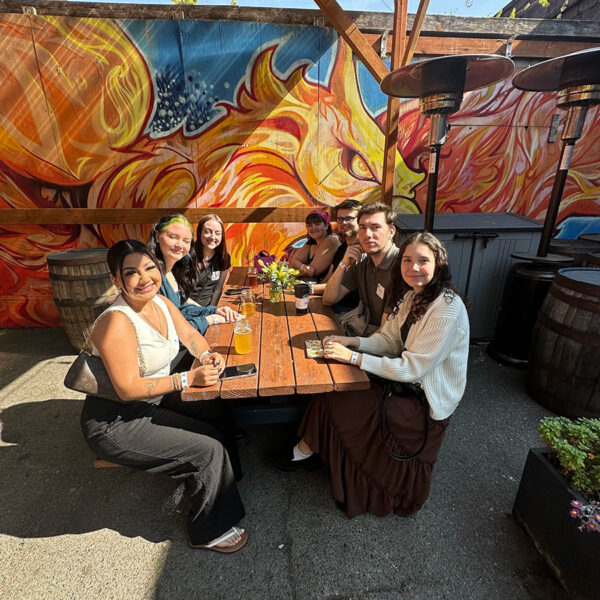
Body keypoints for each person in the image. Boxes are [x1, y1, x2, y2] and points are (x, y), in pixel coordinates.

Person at [274, 232, 469, 519]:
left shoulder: (447, 308)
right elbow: (389, 341)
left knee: (342, 397)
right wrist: (354, 343)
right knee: (335, 388)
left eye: (423, 261)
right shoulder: (414, 295)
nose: (413, 268)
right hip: (402, 382)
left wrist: (353, 358)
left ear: (439, 264)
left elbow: (413, 369)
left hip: (424, 401)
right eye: (407, 260)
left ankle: (310, 452)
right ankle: (310, 449)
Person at [80, 240, 248, 552]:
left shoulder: (161, 303)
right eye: (131, 273)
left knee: (216, 413)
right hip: (116, 421)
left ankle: (224, 484)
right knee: (206, 449)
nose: (144, 278)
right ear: (115, 280)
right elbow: (128, 388)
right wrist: (188, 377)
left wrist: (208, 354)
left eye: (149, 268)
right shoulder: (116, 320)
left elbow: (191, 336)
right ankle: (208, 531)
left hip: (151, 400)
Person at [148, 214, 238, 334]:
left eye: (185, 241)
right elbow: (173, 324)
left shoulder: (223, 257)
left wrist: (213, 310)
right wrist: (210, 317)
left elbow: (182, 304)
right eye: (173, 237)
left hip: (196, 314)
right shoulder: (182, 259)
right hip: (188, 324)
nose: (212, 237)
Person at [323, 202, 399, 336]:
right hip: (366, 334)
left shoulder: (401, 267)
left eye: (375, 227)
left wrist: (351, 348)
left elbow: (387, 333)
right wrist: (344, 263)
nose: (367, 234)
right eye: (363, 227)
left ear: (391, 232)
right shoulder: (362, 261)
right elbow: (328, 298)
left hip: (388, 344)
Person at [309, 199, 361, 313]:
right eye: (340, 219)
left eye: (349, 218)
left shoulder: (360, 251)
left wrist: (308, 289)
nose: (344, 223)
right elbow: (329, 279)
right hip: (331, 303)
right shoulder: (342, 248)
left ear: (360, 220)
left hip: (347, 311)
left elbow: (339, 287)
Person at [288, 209, 340, 282]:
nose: (313, 228)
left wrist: (300, 268)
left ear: (326, 225)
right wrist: (304, 267)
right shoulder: (310, 243)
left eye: (317, 224)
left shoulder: (331, 240)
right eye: (310, 225)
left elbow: (314, 271)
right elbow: (294, 262)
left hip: (324, 288)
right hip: (311, 286)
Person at [193, 214, 231, 307]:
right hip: (186, 311)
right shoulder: (188, 256)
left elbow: (218, 289)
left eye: (217, 233)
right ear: (199, 232)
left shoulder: (223, 257)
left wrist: (211, 311)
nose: (212, 237)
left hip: (207, 310)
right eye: (207, 231)